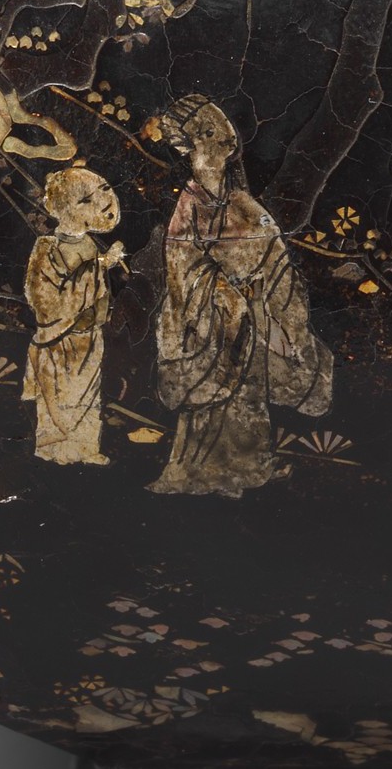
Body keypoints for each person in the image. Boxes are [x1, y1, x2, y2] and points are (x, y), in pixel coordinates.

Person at [144, 98, 331, 496]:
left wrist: (275, 312)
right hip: (214, 320)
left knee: (249, 397)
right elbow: (182, 270)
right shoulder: (189, 205)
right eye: (207, 136)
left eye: (223, 135)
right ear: (186, 147)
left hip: (255, 314)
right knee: (215, 401)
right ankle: (200, 473)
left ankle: (249, 467)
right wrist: (226, 295)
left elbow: (274, 255)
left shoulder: (240, 202)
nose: (222, 144)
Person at [22, 166, 122, 466]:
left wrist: (101, 265)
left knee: (88, 396)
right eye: (85, 201)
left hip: (89, 336)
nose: (100, 203)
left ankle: (86, 449)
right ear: (64, 209)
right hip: (61, 339)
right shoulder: (47, 248)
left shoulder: (89, 243)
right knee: (62, 396)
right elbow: (44, 300)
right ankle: (54, 451)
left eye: (103, 191)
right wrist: (100, 265)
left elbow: (93, 286)